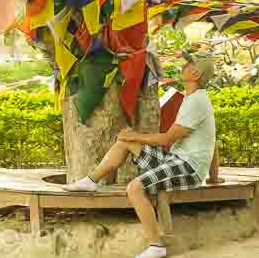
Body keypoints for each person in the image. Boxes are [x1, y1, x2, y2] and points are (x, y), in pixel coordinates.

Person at [63, 54, 218, 258]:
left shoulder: (196, 102)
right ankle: (90, 180)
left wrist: (135, 134)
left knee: (134, 188)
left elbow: (167, 139)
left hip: (188, 167)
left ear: (196, 74)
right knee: (125, 142)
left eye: (189, 64)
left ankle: (157, 246)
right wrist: (214, 176)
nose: (184, 66)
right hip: (176, 160)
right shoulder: (191, 97)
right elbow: (213, 141)